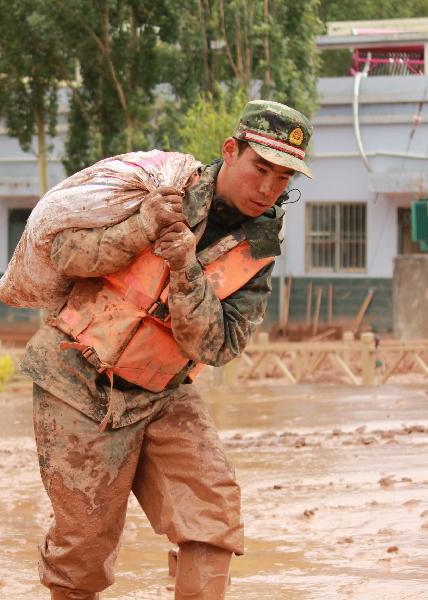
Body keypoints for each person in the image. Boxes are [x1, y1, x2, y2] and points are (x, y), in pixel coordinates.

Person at [18, 100, 313, 599]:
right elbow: (66, 253)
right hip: (77, 379)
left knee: (212, 516)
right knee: (84, 551)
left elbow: (217, 346)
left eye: (283, 178)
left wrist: (184, 270)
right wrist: (141, 228)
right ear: (230, 151)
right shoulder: (159, 189)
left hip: (162, 393)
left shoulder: (260, 245)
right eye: (260, 168)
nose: (267, 188)